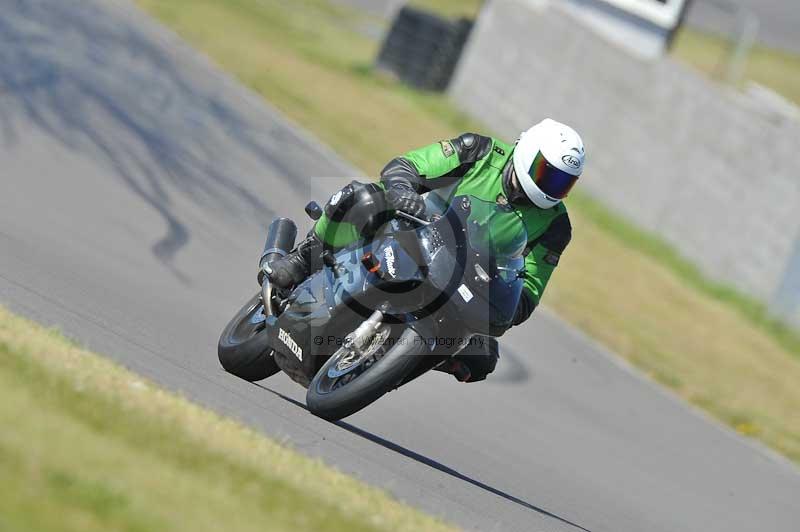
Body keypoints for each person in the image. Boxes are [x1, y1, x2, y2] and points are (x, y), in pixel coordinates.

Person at [264, 118, 585, 382]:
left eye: (562, 183)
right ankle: (302, 257)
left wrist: (507, 307)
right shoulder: (480, 151)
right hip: (415, 225)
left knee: (483, 357)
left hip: (466, 280)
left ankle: (394, 366)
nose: (552, 187)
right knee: (360, 196)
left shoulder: (556, 226)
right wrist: (404, 191)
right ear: (527, 153)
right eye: (547, 174)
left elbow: (531, 287)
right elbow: (410, 164)